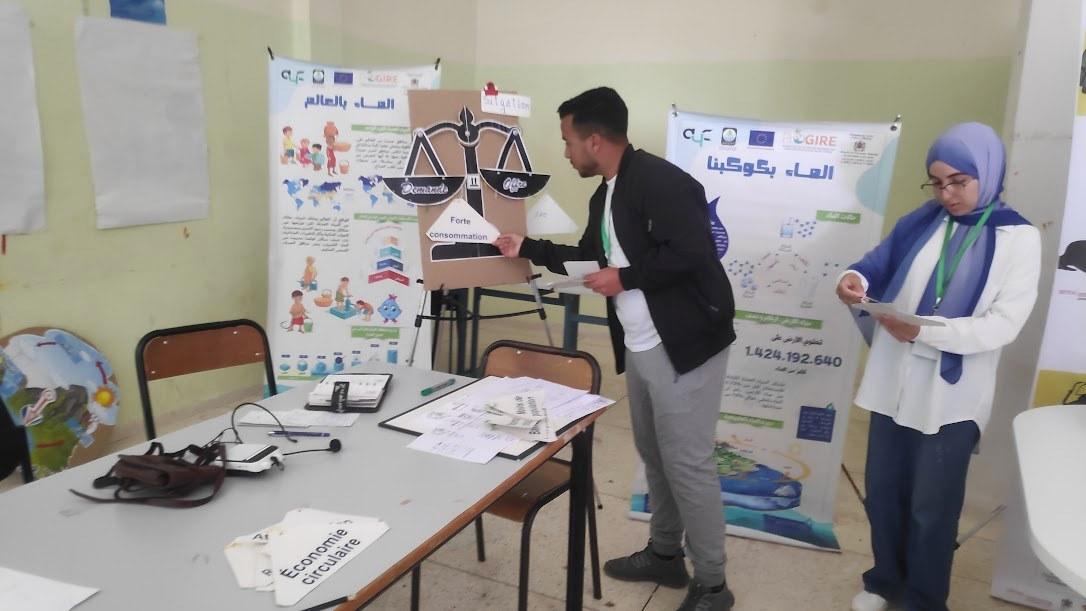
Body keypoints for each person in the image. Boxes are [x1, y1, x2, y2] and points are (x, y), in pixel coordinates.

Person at [494, 87, 738, 611]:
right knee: (656, 455)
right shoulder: (604, 194)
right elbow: (591, 257)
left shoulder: (661, 181)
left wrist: (624, 277)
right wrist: (528, 248)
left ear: (595, 140)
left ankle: (714, 585)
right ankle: (666, 554)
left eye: (567, 141)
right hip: (643, 343)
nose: (565, 152)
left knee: (688, 462)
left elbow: (693, 252)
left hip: (686, 344)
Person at [836, 122, 1040, 611]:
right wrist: (853, 277)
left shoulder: (1018, 237)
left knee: (932, 508)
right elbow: (875, 264)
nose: (947, 194)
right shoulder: (922, 221)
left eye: (959, 182)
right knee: (883, 492)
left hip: (952, 396)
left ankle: (924, 600)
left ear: (988, 173)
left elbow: (1003, 325)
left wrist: (923, 332)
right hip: (893, 382)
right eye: (938, 183)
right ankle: (885, 581)